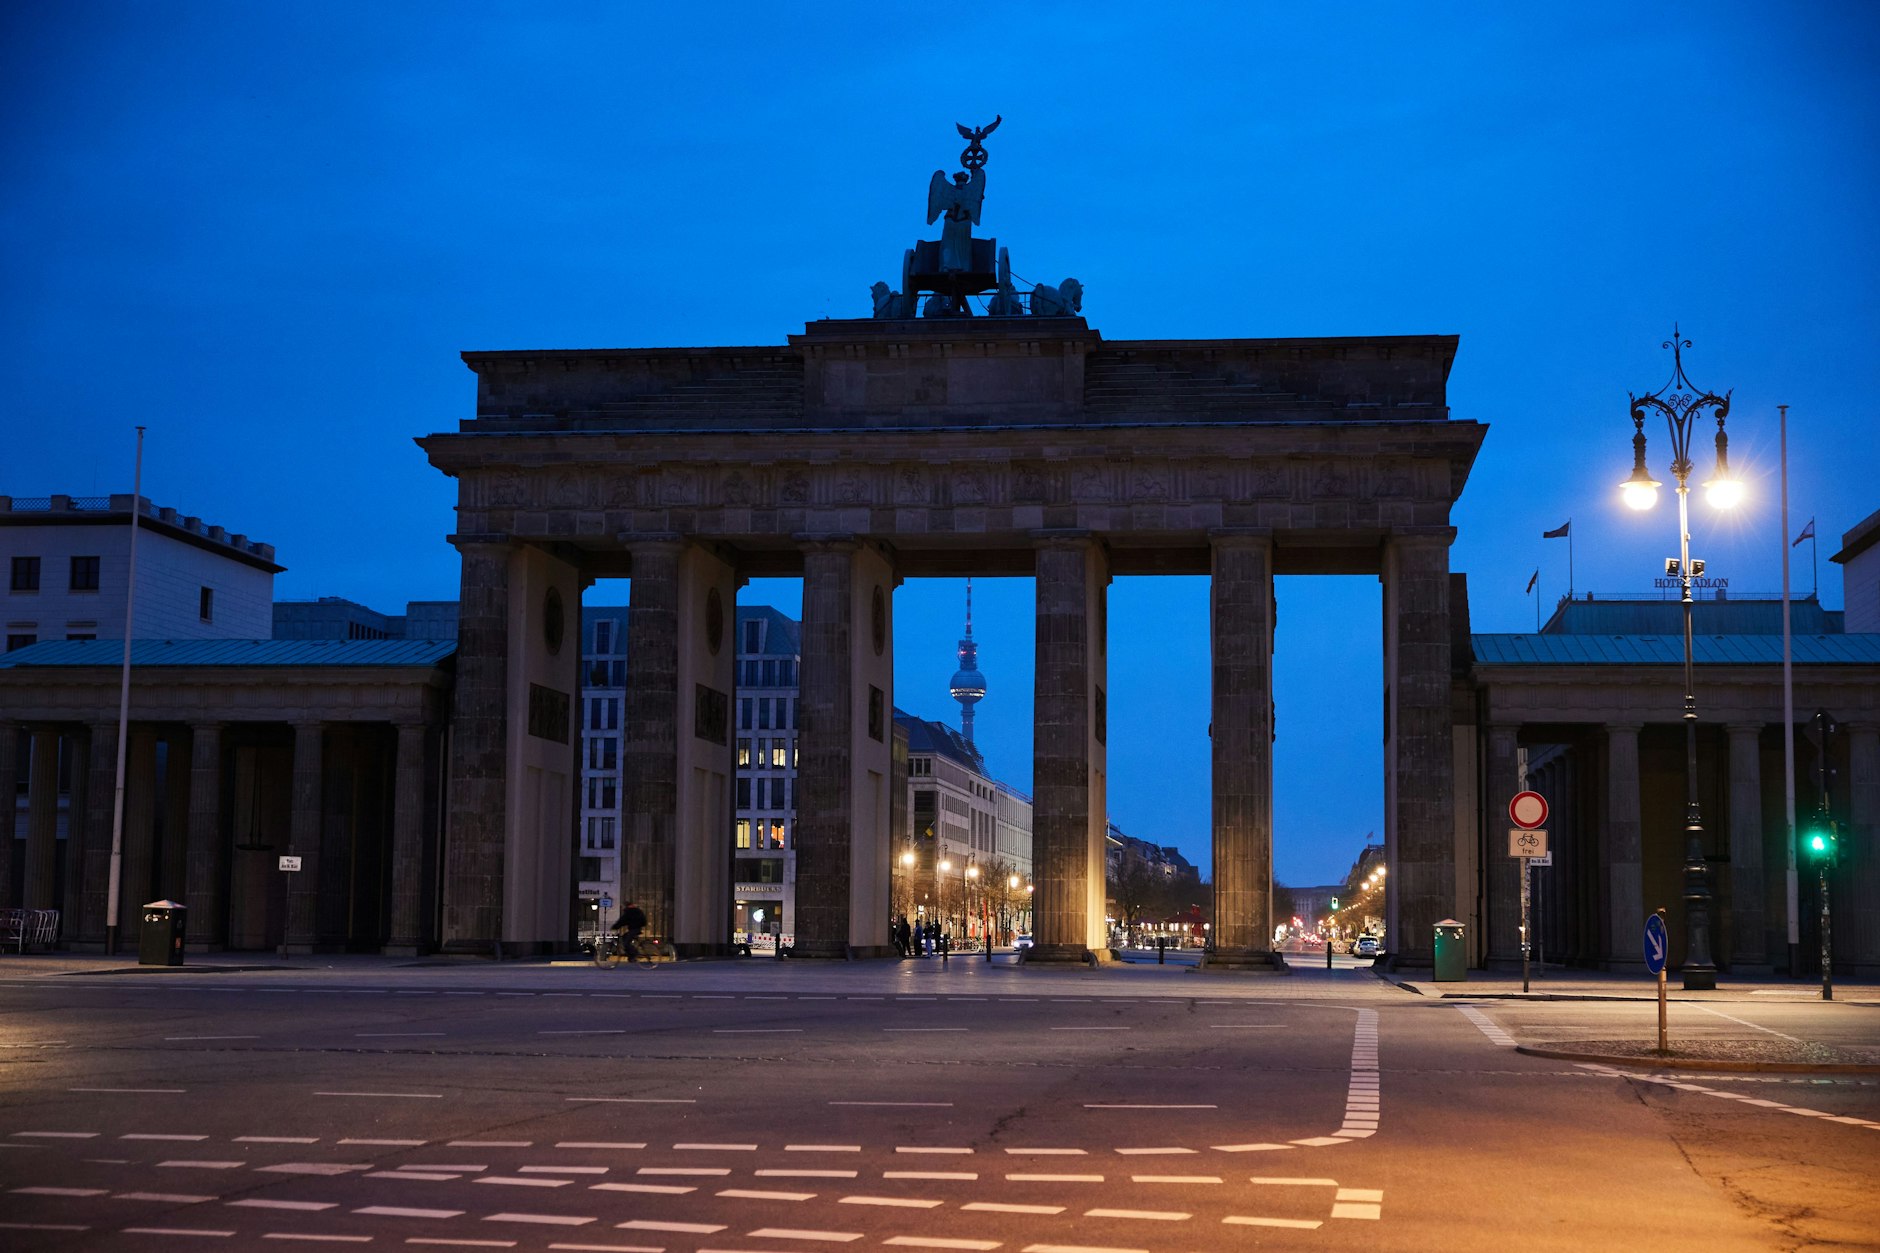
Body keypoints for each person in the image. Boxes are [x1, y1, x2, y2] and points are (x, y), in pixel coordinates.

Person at [612, 900, 649, 965]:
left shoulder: (630, 911)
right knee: (624, 938)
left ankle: (634, 954)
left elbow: (622, 920)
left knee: (626, 943)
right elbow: (624, 921)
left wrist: (615, 926)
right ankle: (631, 956)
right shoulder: (636, 910)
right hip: (636, 928)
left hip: (634, 929)